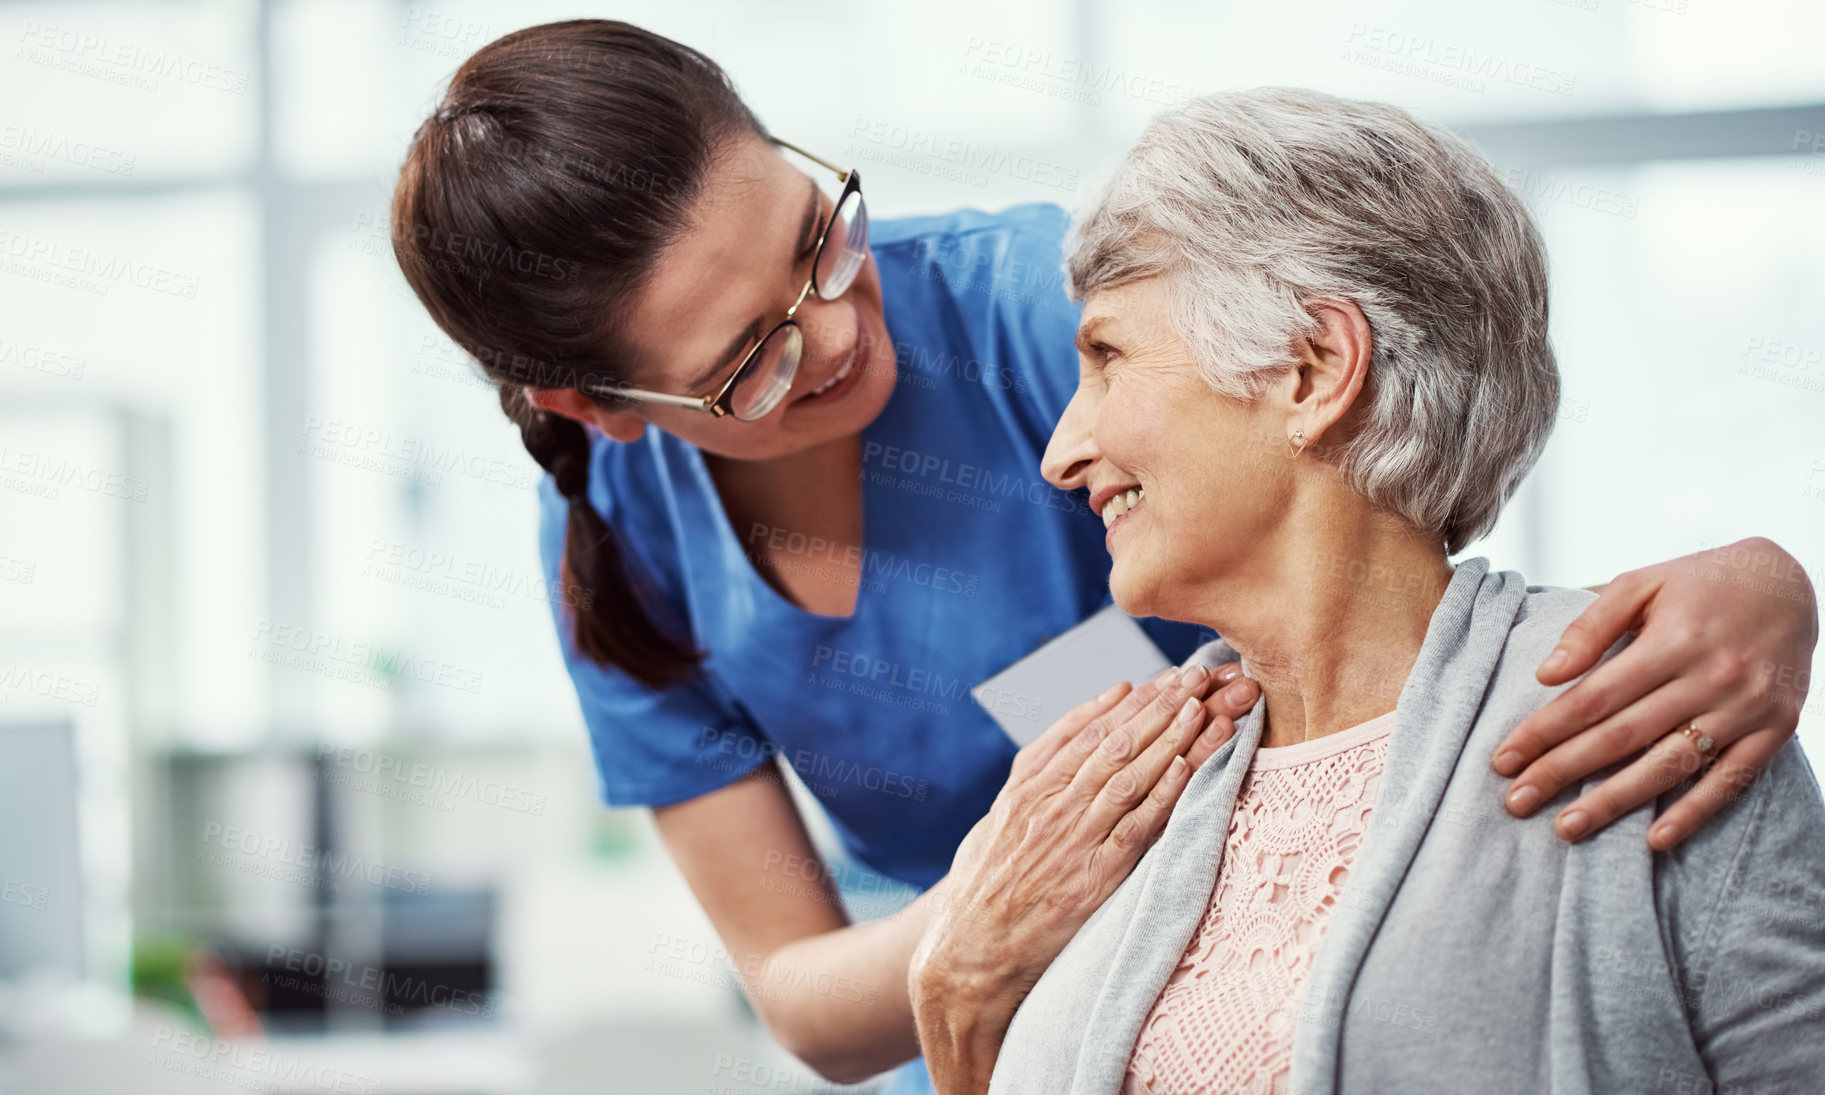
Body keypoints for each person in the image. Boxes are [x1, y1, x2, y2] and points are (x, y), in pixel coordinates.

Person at [388, 22, 1820, 1091]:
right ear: (600, 409)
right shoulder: (617, 546)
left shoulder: (1030, 302)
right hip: (988, 993)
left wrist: (1759, 577)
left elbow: (1381, 463)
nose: (837, 328)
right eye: (752, 358)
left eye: (821, 234)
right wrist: (993, 913)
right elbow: (806, 993)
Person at [908, 88, 1825, 1095]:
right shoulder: (1102, 775)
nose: (1060, 453)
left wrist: (1773, 576)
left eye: (1106, 355)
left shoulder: (1646, 708)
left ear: (1312, 369)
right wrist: (955, 1005)